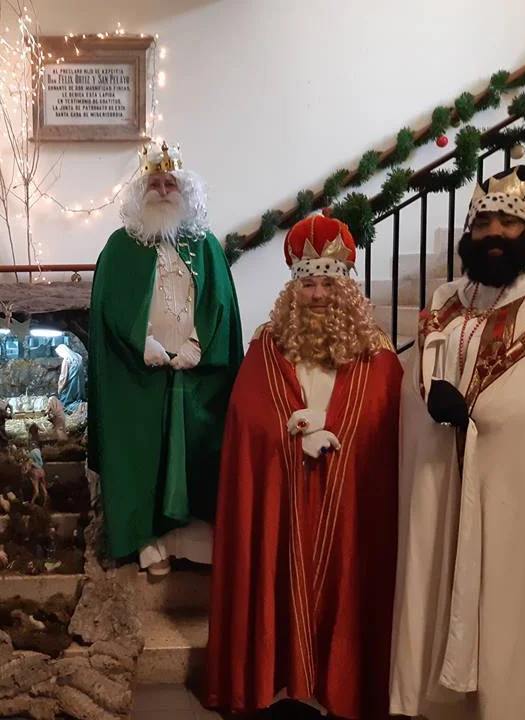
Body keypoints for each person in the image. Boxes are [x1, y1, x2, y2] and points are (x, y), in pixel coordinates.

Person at [389, 165, 525, 720]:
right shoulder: (445, 299)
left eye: (508, 223)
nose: (494, 234)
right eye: (483, 224)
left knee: (508, 603)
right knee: (436, 587)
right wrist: (428, 396)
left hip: (512, 496)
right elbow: (420, 379)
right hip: (443, 480)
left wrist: (478, 415)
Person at [203, 214, 402, 718]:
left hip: (350, 504)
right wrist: (294, 434)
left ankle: (341, 683)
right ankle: (280, 680)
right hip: (283, 496)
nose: (318, 296)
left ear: (346, 287)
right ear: (293, 289)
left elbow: (387, 427)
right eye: (308, 284)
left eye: (329, 284)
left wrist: (339, 430)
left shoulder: (378, 353)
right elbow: (247, 421)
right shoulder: (267, 346)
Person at [87, 141, 244, 576]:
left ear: (184, 189)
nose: (161, 190)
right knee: (143, 458)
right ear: (141, 192)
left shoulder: (205, 245)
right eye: (153, 183)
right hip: (139, 377)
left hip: (199, 378)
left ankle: (197, 541)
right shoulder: (120, 248)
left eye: (169, 183)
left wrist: (199, 344)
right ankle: (148, 542)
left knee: (200, 456)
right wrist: (143, 343)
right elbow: (109, 309)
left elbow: (220, 303)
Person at [54, 343, 86, 413]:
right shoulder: (78, 357)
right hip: (79, 384)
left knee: (66, 404)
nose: (59, 356)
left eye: (59, 354)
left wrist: (60, 390)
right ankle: (82, 407)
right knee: (78, 399)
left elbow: (63, 377)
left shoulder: (67, 360)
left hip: (71, 386)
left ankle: (76, 409)